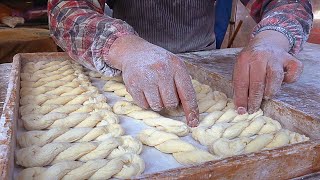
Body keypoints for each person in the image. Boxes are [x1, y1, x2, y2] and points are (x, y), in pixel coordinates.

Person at [48, 0, 313, 127]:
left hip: (203, 63)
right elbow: (65, 10)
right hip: (119, 64)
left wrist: (272, 39)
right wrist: (124, 48)